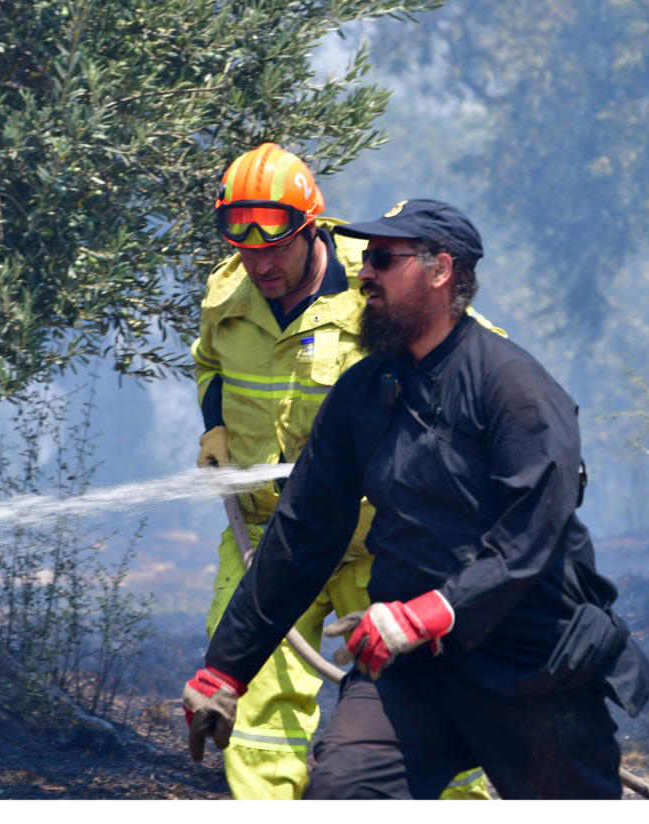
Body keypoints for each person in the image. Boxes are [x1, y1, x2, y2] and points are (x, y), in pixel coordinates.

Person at [184, 198, 649, 799]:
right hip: (411, 670)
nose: (363, 273)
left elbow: (529, 535)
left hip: (533, 665)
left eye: (382, 259)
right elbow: (301, 536)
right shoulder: (361, 393)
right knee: (342, 795)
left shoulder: (514, 387)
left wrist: (431, 612)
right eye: (365, 259)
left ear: (441, 271)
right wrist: (225, 667)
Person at [189, 147, 490, 800]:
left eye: (276, 245)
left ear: (311, 229)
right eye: (244, 246)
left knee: (419, 704)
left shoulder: (380, 285)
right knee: (248, 708)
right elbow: (210, 361)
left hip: (380, 542)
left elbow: (475, 358)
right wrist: (214, 424)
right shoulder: (226, 294)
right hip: (272, 537)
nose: (260, 262)